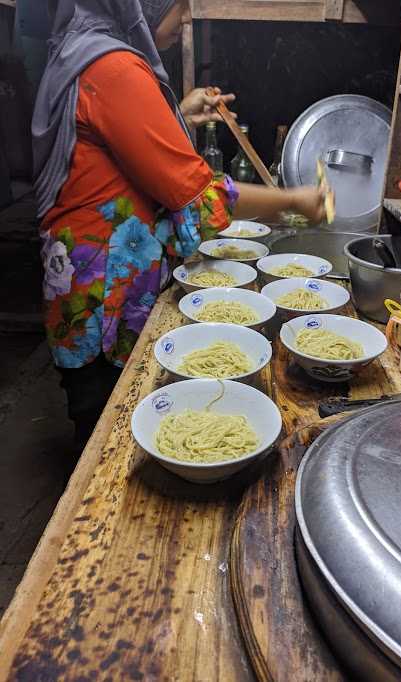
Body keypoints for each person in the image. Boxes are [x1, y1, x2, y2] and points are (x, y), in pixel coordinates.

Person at [33, 0, 327, 449]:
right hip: (105, 294)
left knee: (98, 412)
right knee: (107, 434)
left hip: (79, 279)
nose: (185, 19)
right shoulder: (113, 68)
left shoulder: (80, 49)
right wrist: (294, 201)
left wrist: (178, 116)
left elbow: (117, 147)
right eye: (180, 8)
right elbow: (197, 196)